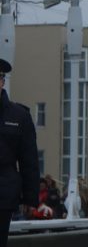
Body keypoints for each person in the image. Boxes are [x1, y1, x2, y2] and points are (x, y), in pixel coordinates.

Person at [0, 59, 39, 244]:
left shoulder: (19, 115)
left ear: (2, 82)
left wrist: (30, 198)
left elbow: (29, 159)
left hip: (4, 194)